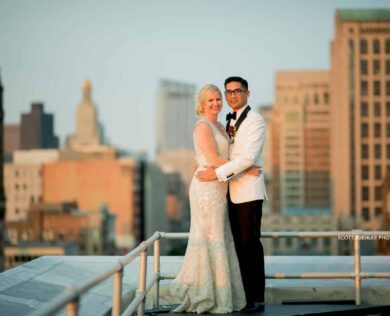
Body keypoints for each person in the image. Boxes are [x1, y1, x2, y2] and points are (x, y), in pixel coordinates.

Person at [169, 84, 260, 314]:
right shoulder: (202, 126)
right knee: (208, 237)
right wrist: (245, 169)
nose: (216, 103)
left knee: (219, 236)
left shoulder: (220, 125)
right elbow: (212, 156)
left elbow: (216, 156)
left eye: (218, 99)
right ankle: (205, 294)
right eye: (210, 100)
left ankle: (220, 294)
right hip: (205, 189)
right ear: (201, 103)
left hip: (220, 187)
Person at [196, 76, 267, 313]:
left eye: (237, 91)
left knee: (250, 246)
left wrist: (217, 174)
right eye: (229, 92)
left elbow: (247, 158)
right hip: (228, 192)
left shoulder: (255, 120)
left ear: (248, 93)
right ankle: (242, 296)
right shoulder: (226, 122)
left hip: (247, 192)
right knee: (237, 246)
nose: (232, 95)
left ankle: (256, 299)